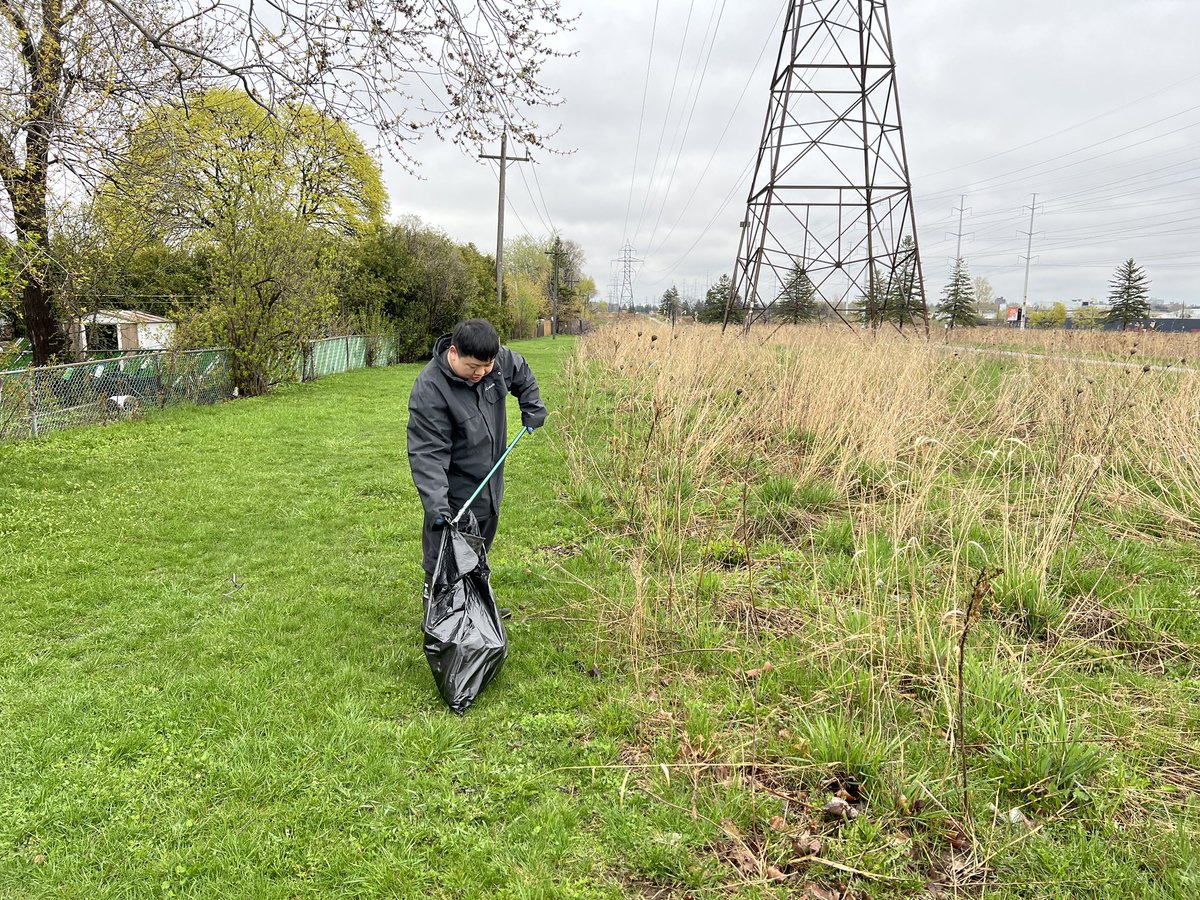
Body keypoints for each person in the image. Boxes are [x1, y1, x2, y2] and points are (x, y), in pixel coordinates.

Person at [407, 319, 547, 603]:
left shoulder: (495, 361)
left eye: (487, 366)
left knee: (479, 548)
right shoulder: (430, 390)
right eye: (473, 367)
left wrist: (532, 407)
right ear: (454, 353)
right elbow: (427, 453)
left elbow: (521, 372)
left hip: (490, 485)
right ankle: (440, 617)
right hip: (455, 493)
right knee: (446, 553)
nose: (482, 373)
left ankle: (476, 608)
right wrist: (437, 507)